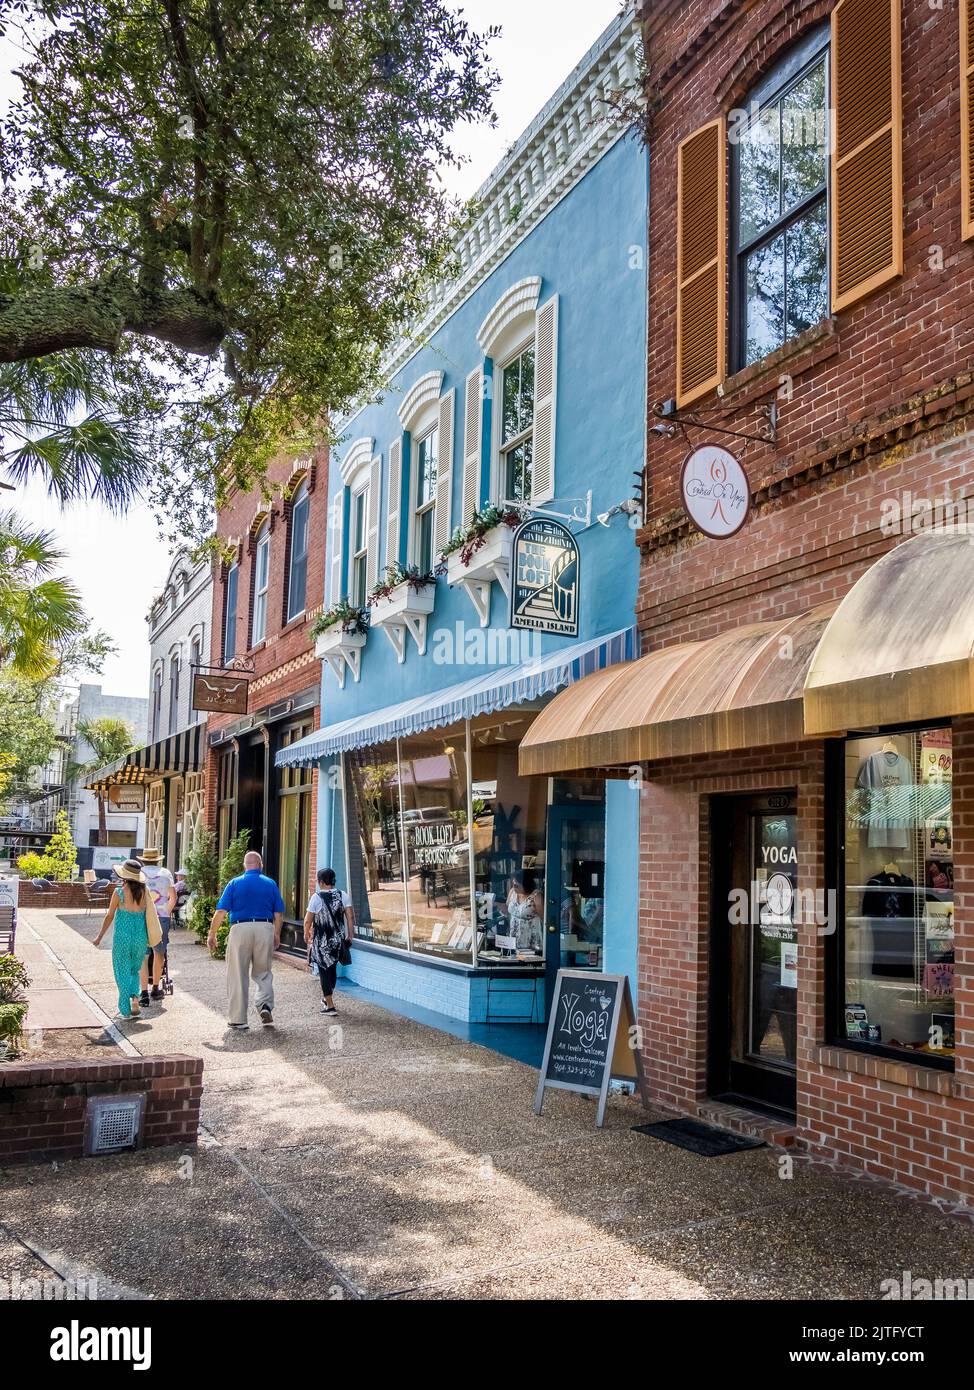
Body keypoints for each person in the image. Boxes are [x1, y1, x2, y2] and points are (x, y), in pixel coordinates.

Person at [208, 850, 285, 1029]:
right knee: (263, 971)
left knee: (237, 974)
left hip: (240, 928)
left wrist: (212, 933)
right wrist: (276, 933)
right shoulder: (270, 883)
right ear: (261, 865)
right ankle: (264, 1005)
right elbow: (278, 913)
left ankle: (238, 1019)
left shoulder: (234, 883)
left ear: (245, 866)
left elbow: (221, 911)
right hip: (264, 927)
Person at [93, 859, 162, 1020]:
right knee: (134, 969)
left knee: (121, 971)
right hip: (140, 938)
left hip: (122, 938)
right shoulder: (145, 893)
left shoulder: (119, 892)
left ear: (124, 876)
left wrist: (99, 936)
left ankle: (125, 1010)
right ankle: (135, 1000)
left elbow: (109, 916)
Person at [303, 868, 355, 1015]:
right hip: (338, 941)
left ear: (320, 882)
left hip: (322, 942)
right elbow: (350, 917)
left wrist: (306, 934)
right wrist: (350, 935)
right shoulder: (342, 895)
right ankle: (327, 999)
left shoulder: (316, 897)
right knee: (331, 970)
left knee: (324, 971)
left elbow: (308, 920)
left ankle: (330, 1006)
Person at [139, 848, 177, 1005]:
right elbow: (173, 897)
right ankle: (156, 987)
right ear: (157, 860)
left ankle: (143, 992)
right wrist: (165, 911)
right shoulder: (166, 873)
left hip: (142, 916)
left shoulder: (139, 874)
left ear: (143, 860)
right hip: (161, 916)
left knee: (143, 954)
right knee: (159, 952)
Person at [507, 869, 543, 953]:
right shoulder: (512, 892)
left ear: (526, 885)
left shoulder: (536, 896)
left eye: (517, 885)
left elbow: (544, 918)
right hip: (513, 938)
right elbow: (507, 907)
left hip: (530, 940)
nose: (514, 887)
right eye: (513, 884)